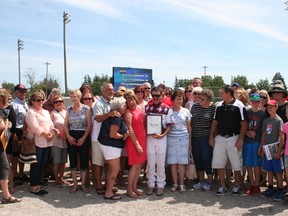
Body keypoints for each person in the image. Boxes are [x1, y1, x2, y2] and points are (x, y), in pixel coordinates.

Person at [209, 85, 248, 196]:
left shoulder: (239, 105)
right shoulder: (218, 106)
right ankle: (222, 186)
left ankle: (236, 186)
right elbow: (215, 122)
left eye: (222, 93)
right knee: (219, 163)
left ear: (228, 93)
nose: (220, 94)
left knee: (236, 164)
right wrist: (211, 137)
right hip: (220, 138)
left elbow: (244, 123)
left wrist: (240, 139)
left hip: (234, 137)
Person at [98, 97, 130, 200]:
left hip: (107, 145)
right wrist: (124, 135)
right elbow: (113, 134)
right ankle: (108, 193)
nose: (126, 106)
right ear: (119, 107)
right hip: (111, 146)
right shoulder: (116, 118)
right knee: (115, 170)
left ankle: (109, 188)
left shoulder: (112, 114)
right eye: (124, 105)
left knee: (111, 169)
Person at [26, 90, 54, 195]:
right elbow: (34, 127)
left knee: (42, 164)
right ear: (32, 101)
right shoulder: (30, 112)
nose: (40, 102)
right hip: (36, 142)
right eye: (38, 100)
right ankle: (33, 186)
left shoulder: (46, 112)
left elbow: (50, 124)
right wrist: (46, 134)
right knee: (36, 164)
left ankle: (38, 183)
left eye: (42, 100)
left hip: (46, 142)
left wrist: (53, 131)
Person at [92, 83, 118, 195]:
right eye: (108, 89)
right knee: (98, 163)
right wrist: (109, 114)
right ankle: (98, 185)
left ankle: (108, 185)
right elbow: (97, 118)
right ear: (102, 91)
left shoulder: (113, 102)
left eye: (112, 89)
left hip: (109, 138)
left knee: (109, 163)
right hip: (97, 138)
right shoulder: (98, 103)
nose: (111, 91)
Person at [64, 89, 92, 193]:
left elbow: (89, 125)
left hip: (83, 135)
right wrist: (68, 137)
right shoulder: (69, 109)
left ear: (79, 97)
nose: (73, 98)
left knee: (84, 160)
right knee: (73, 160)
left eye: (75, 96)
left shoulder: (86, 108)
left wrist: (83, 138)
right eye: (71, 96)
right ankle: (75, 185)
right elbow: (66, 125)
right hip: (71, 136)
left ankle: (83, 185)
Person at [145, 87, 170, 196]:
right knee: (150, 162)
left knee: (160, 162)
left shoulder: (166, 108)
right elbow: (143, 123)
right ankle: (150, 184)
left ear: (162, 95)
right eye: (153, 95)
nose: (155, 98)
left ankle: (160, 185)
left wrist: (162, 135)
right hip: (150, 138)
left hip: (161, 138)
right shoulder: (147, 107)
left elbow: (170, 125)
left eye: (157, 95)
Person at [258, 100, 285, 201]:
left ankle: (280, 190)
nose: (269, 109)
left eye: (271, 107)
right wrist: (261, 148)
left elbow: (281, 136)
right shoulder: (266, 121)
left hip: (275, 148)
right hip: (267, 149)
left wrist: (279, 151)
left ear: (276, 107)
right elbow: (264, 135)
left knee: (278, 171)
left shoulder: (279, 120)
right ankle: (270, 188)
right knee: (269, 170)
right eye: (268, 107)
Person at [166, 90, 191, 193]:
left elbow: (189, 127)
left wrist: (190, 141)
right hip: (171, 139)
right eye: (177, 98)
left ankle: (181, 184)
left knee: (181, 163)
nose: (179, 101)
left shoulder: (186, 111)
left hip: (183, 139)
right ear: (173, 100)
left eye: (181, 99)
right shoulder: (169, 111)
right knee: (173, 163)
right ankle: (175, 184)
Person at [191, 89, 215, 191]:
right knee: (198, 159)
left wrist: (212, 137)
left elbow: (215, 124)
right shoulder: (195, 106)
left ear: (209, 100)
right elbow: (190, 121)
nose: (200, 100)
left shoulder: (213, 108)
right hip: (195, 137)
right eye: (199, 98)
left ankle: (209, 181)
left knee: (207, 159)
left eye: (203, 99)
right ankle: (201, 181)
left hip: (206, 138)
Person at [124, 91, 147, 198]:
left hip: (142, 139)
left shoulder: (139, 109)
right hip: (133, 142)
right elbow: (130, 130)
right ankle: (129, 189)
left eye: (132, 99)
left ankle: (134, 187)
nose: (131, 102)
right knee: (134, 165)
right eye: (128, 101)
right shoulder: (128, 113)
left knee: (139, 165)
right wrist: (137, 144)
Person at [243, 93, 266, 195]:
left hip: (257, 142)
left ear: (259, 102)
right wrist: (247, 132)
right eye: (253, 101)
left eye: (256, 101)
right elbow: (242, 126)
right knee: (248, 164)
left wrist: (261, 145)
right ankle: (251, 184)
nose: (254, 103)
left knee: (257, 165)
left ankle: (256, 185)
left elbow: (263, 132)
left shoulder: (262, 114)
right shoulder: (246, 112)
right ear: (250, 101)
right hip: (247, 142)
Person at [11, 84, 29, 187]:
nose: (23, 93)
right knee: (15, 156)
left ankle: (21, 173)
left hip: (24, 131)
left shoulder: (25, 104)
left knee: (23, 154)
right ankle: (15, 175)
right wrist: (14, 134)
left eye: (24, 90)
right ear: (16, 92)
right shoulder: (13, 104)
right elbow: (11, 120)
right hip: (16, 131)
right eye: (21, 91)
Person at [49, 95, 68, 187]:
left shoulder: (66, 112)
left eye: (60, 101)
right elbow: (49, 126)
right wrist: (55, 130)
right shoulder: (53, 113)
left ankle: (61, 178)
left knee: (63, 161)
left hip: (65, 140)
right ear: (53, 104)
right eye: (56, 102)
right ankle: (56, 179)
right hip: (56, 140)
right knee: (56, 161)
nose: (58, 103)